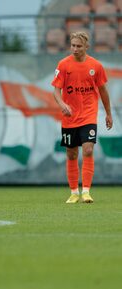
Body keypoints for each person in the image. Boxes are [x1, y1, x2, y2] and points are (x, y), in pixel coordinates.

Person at [52, 31, 113, 204]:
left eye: (79, 46)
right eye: (73, 45)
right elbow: (56, 90)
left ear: (86, 46)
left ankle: (86, 192)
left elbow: (103, 92)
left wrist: (108, 113)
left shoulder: (96, 66)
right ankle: (74, 192)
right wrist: (62, 105)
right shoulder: (63, 65)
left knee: (88, 149)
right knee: (71, 154)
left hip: (88, 115)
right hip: (70, 117)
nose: (75, 49)